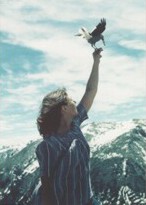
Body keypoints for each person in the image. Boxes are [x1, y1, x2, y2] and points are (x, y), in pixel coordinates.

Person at [35, 48, 103, 205]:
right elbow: (47, 192)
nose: (75, 102)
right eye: (71, 100)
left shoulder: (75, 125)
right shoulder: (47, 146)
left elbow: (90, 91)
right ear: (63, 108)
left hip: (89, 201)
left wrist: (96, 62)